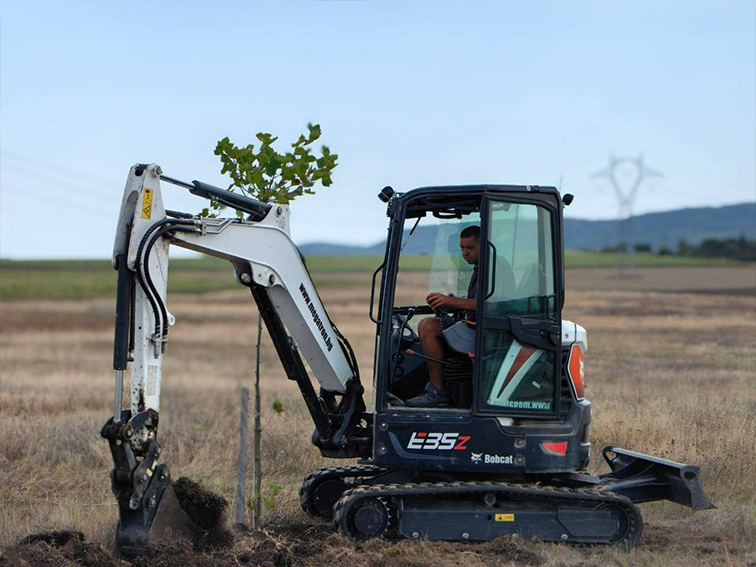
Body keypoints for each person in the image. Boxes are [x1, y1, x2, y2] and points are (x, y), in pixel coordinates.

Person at [405, 225, 480, 408]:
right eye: (462, 248)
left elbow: (490, 305)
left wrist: (450, 301)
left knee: (427, 326)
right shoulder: (480, 268)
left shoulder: (495, 268)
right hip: (475, 326)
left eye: (470, 248)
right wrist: (449, 303)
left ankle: (437, 391)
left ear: (484, 245)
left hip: (486, 332)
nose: (465, 253)